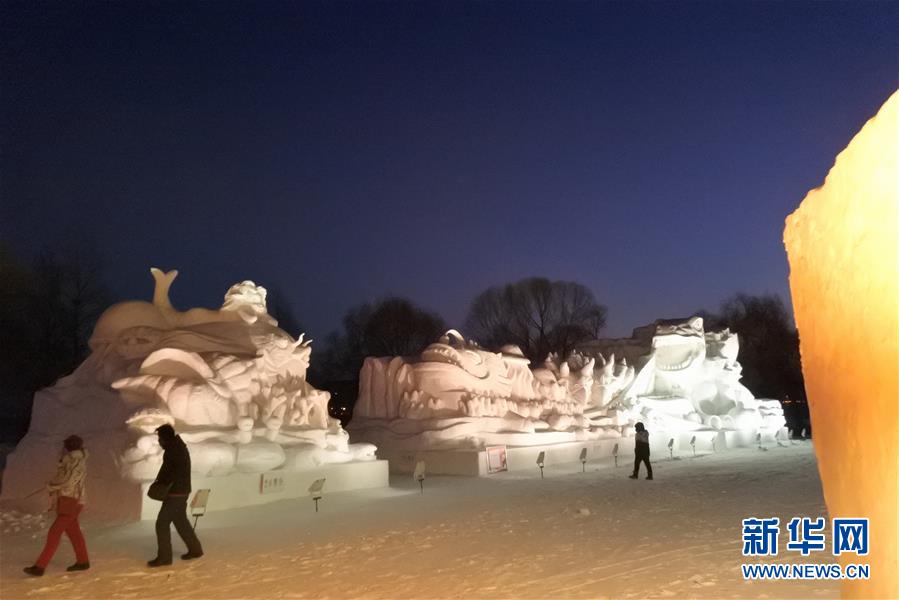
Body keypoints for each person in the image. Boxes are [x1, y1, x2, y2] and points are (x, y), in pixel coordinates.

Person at [23, 435, 91, 576]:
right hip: (71, 499)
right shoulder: (73, 460)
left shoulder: (75, 461)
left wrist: (52, 486)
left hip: (71, 500)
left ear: (69, 446)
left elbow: (69, 481)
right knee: (73, 532)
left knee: (55, 532)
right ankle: (83, 561)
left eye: (66, 445)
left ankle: (40, 566)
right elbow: (68, 479)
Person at [148, 424, 203, 567]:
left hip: (175, 492)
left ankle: (165, 557)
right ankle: (195, 549)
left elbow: (170, 472)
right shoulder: (178, 447)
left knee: (162, 523)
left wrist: (160, 484)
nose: (159, 441)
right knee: (180, 521)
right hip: (181, 490)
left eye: (160, 438)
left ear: (165, 438)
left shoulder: (173, 450)